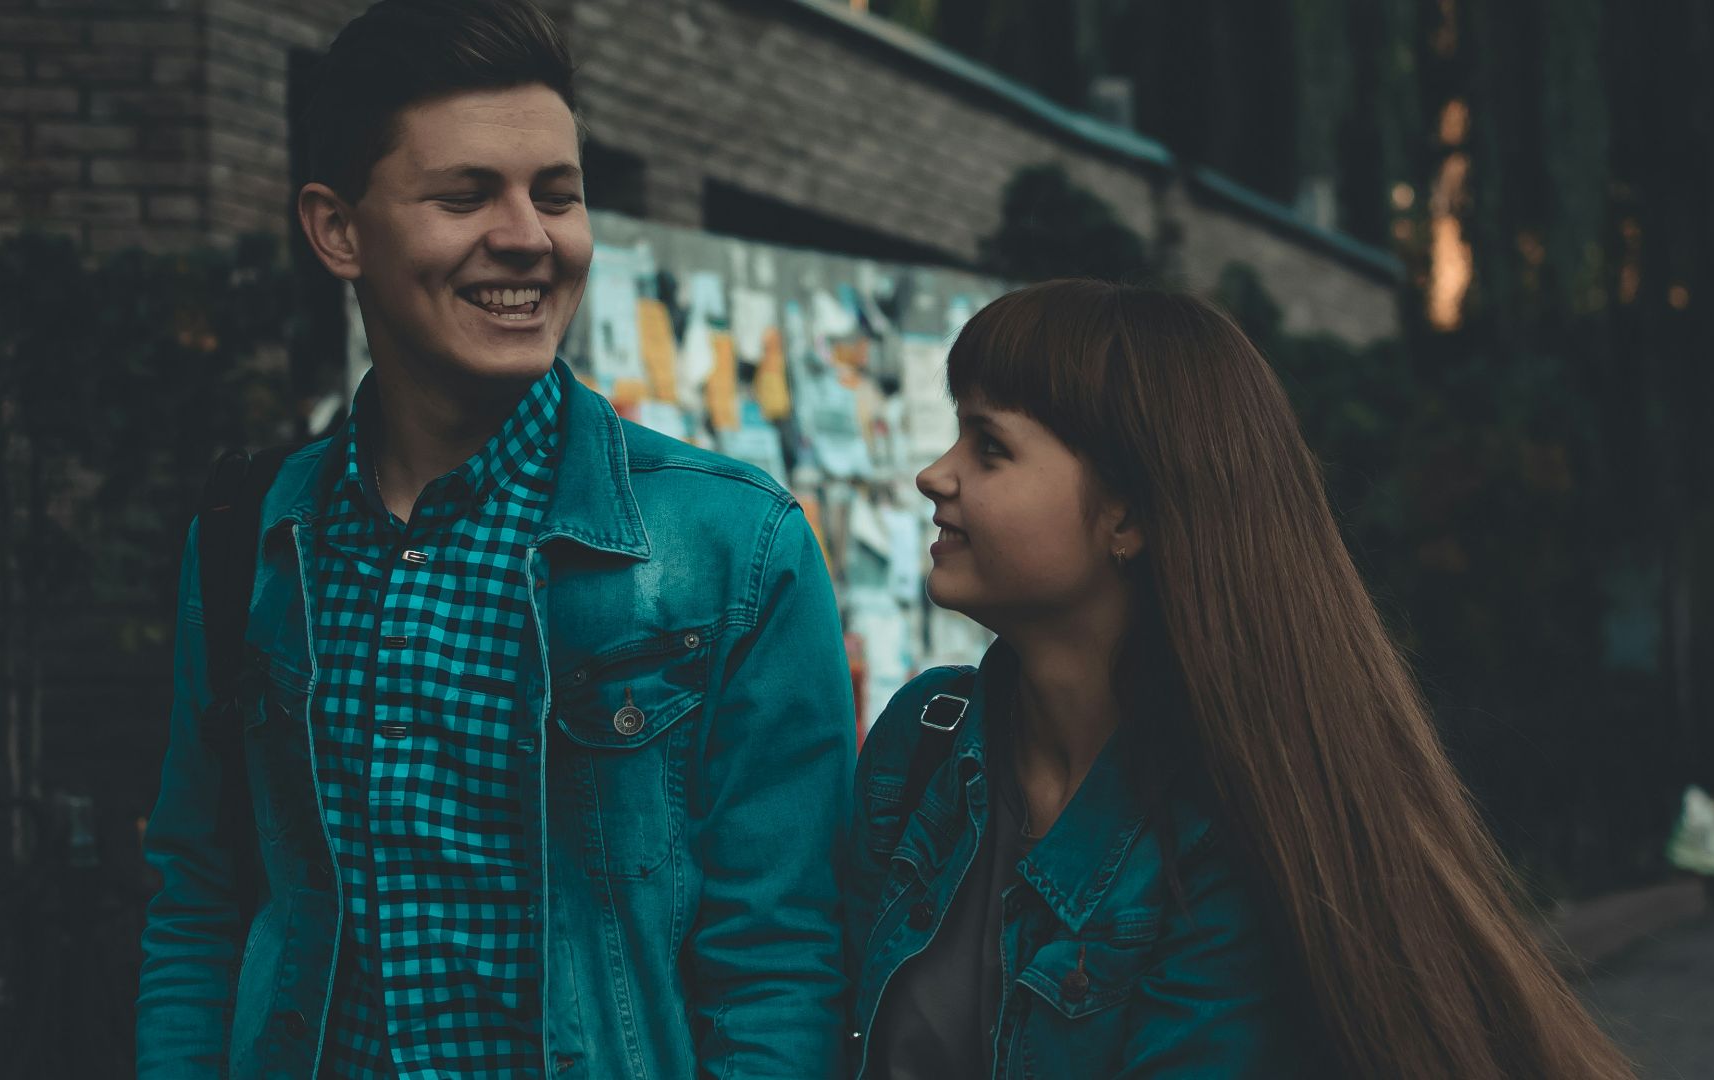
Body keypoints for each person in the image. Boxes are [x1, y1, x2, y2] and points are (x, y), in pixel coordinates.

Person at [135, 2, 855, 1076]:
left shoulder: (734, 549)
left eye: (555, 195)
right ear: (339, 230)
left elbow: (780, 968)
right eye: (466, 194)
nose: (528, 236)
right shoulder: (256, 537)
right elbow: (199, 908)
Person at [844, 280, 1636, 1078]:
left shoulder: (1244, 818)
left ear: (1127, 517)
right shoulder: (923, 739)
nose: (933, 476)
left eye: (989, 447)